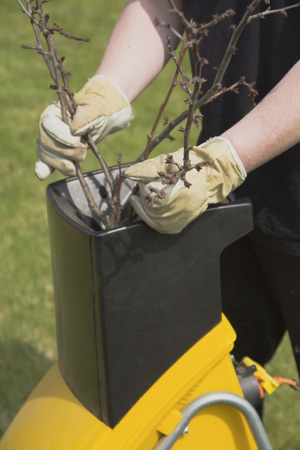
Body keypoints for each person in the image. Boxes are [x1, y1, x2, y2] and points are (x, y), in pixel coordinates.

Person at [36, 0, 300, 375]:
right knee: (207, 384)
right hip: (217, 203)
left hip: (247, 179)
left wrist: (225, 159)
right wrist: (107, 91)